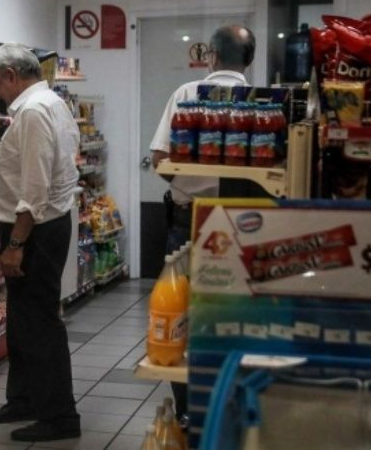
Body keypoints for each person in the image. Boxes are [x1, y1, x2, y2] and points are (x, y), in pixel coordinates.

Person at [149, 25, 256, 421]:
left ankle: (187, 411)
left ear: (210, 55)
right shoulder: (263, 100)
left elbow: (159, 157)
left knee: (181, 315)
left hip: (187, 219)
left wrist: (187, 185)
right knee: (235, 313)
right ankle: (231, 406)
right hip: (245, 222)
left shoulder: (186, 94)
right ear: (250, 59)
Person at [0, 43, 81, 442]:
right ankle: (23, 399)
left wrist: (16, 242)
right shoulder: (50, 102)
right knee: (22, 320)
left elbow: (35, 186)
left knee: (40, 324)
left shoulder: (35, 112)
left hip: (34, 229)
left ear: (11, 77)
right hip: (42, 225)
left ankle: (59, 416)